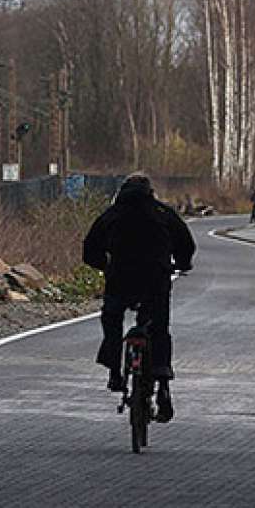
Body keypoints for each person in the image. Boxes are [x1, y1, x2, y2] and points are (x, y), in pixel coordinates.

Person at [83, 172, 195, 423]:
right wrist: (182, 263)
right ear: (150, 191)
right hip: (155, 279)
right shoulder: (163, 213)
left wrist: (104, 264)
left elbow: (89, 249)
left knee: (112, 319)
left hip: (120, 279)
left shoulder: (112, 214)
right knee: (159, 328)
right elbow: (186, 243)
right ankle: (162, 380)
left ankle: (114, 369)